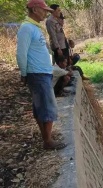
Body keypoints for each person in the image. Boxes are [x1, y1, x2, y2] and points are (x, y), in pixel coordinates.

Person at [16, 0, 66, 150]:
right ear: (35, 9)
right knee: (48, 108)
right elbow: (21, 54)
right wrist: (24, 73)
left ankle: (47, 138)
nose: (46, 13)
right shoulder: (26, 28)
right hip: (37, 73)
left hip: (43, 72)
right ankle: (48, 141)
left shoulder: (34, 27)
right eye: (44, 10)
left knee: (41, 107)